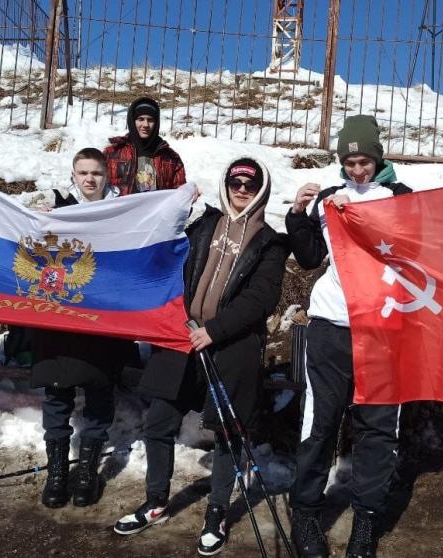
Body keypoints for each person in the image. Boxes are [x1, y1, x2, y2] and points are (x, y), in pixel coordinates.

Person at [113, 157, 288, 556]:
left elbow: (261, 298)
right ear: (225, 184)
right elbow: (165, 255)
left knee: (227, 434)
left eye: (250, 183)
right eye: (235, 181)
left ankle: (217, 512)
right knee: (159, 422)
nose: (241, 189)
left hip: (231, 347)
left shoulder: (270, 242)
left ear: (260, 189)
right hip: (182, 339)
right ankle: (156, 500)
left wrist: (215, 330)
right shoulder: (204, 224)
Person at [286, 115, 412, 558]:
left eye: (365, 161)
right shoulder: (328, 199)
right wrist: (299, 214)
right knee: (319, 422)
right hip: (331, 325)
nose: (358, 170)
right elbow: (307, 258)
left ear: (377, 158)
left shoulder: (401, 199)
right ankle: (304, 511)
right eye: (350, 161)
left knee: (378, 428)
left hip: (383, 328)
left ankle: (366, 520)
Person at [31, 147, 134, 509]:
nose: (90, 179)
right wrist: (36, 220)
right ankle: (57, 472)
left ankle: (88, 470)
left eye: (96, 173)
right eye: (83, 173)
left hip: (102, 319)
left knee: (99, 393)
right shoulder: (56, 206)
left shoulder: (122, 210)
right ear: (73, 176)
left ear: (107, 177)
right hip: (59, 318)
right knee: (56, 394)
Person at [102, 96, 186, 195]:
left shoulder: (170, 158)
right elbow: (97, 188)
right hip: (121, 210)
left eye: (150, 120)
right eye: (140, 119)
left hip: (156, 210)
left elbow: (179, 194)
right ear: (132, 121)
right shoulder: (112, 153)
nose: (145, 124)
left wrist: (189, 193)